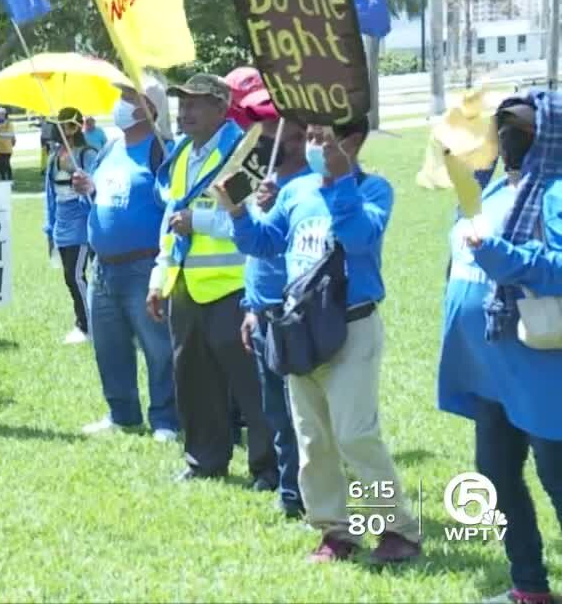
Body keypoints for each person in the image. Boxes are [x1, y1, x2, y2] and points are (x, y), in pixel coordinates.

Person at [226, 119, 421, 564]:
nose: (311, 145)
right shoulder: (296, 190)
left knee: (355, 434)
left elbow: (359, 237)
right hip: (301, 327)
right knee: (312, 439)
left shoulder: (374, 190)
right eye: (310, 137)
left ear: (352, 141)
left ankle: (397, 530)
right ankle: (335, 531)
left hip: (351, 325)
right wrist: (238, 211)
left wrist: (338, 180)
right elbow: (265, 241)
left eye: (321, 137)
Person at [439, 92, 562, 602]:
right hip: (490, 370)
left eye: (520, 127)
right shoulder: (489, 192)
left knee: (559, 483)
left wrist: (503, 256)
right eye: (503, 125)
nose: (508, 135)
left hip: (540, 374)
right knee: (496, 477)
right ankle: (528, 585)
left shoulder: (555, 193)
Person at [147, 73, 275, 488]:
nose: (184, 111)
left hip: (233, 287)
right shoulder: (182, 154)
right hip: (185, 286)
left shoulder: (246, 151)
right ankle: (204, 460)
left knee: (250, 386)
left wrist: (196, 221)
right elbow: (171, 219)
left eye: (196, 103)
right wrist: (158, 275)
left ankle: (267, 468)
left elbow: (247, 218)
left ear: (222, 109)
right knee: (194, 381)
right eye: (181, 102)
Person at [71, 87, 177, 440]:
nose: (120, 103)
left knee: (158, 348)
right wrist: (88, 190)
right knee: (109, 345)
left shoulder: (162, 150)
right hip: (103, 267)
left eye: (128, 96)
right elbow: (102, 199)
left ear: (149, 107)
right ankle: (122, 413)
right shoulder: (110, 148)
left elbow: (172, 205)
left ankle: (166, 419)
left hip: (143, 266)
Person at [238, 111, 309, 520]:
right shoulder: (266, 184)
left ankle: (311, 493)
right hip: (262, 314)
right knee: (278, 417)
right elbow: (255, 256)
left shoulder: (304, 190)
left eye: (269, 140)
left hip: (295, 316)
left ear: (296, 141)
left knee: (303, 415)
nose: (261, 148)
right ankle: (290, 494)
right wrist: (249, 307)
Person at [45, 107, 100, 346]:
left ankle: (89, 326)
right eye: (58, 125)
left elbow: (96, 191)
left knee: (76, 276)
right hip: (62, 226)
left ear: (76, 127)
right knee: (70, 277)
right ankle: (84, 321)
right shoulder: (54, 157)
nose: (61, 131)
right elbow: (49, 195)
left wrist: (79, 176)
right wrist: (49, 228)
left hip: (82, 225)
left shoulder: (87, 154)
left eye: (65, 126)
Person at [0, 106, 16, 181]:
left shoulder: (9, 124)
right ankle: (3, 178)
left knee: (6, 163)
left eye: (2, 114)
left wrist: (0, 134)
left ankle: (10, 178)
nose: (1, 115)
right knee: (1, 164)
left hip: (7, 148)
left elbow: (11, 134)